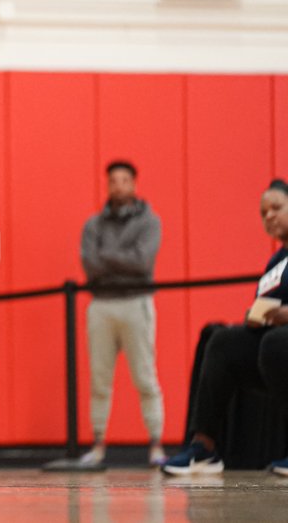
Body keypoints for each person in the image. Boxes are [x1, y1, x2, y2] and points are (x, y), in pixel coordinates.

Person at [162, 179, 288, 476]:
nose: (269, 216)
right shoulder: (276, 261)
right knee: (222, 341)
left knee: (276, 344)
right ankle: (204, 448)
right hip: (273, 348)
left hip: (281, 345)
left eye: (276, 208)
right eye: (263, 212)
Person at [78, 160, 165, 467]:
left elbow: (143, 263)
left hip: (136, 303)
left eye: (124, 180)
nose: (119, 186)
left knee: (145, 376)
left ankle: (156, 445)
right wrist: (122, 260)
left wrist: (108, 259)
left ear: (134, 183)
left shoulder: (149, 221)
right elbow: (90, 264)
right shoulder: (93, 224)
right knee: (100, 379)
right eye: (113, 180)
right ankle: (99, 445)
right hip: (101, 304)